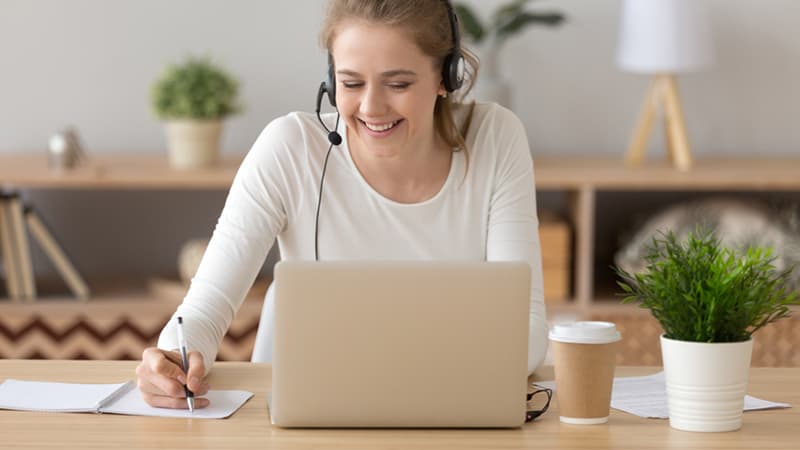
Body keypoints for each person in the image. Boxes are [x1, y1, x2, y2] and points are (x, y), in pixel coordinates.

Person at [136, 0, 548, 409]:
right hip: (310, 412)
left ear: (445, 76)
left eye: (398, 84)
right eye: (351, 84)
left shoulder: (495, 138)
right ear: (331, 82)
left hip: (447, 404)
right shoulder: (290, 148)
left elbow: (526, 330)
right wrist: (173, 359)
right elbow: (204, 311)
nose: (371, 108)